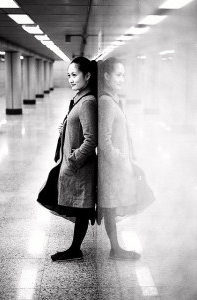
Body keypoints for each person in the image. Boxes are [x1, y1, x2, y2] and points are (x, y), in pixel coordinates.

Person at [47, 56, 97, 261]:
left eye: (74, 75)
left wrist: (73, 159)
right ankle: (75, 248)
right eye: (68, 75)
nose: (71, 79)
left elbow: (91, 139)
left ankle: (75, 249)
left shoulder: (88, 102)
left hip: (80, 167)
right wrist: (64, 129)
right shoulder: (79, 99)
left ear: (87, 75)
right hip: (74, 166)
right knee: (81, 209)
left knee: (83, 209)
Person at [98, 57, 141, 260]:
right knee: (110, 206)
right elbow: (104, 141)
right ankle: (116, 249)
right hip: (111, 168)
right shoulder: (106, 102)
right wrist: (122, 160)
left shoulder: (113, 99)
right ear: (106, 76)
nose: (122, 79)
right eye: (118, 75)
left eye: (123, 75)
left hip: (116, 166)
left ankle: (116, 248)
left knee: (111, 206)